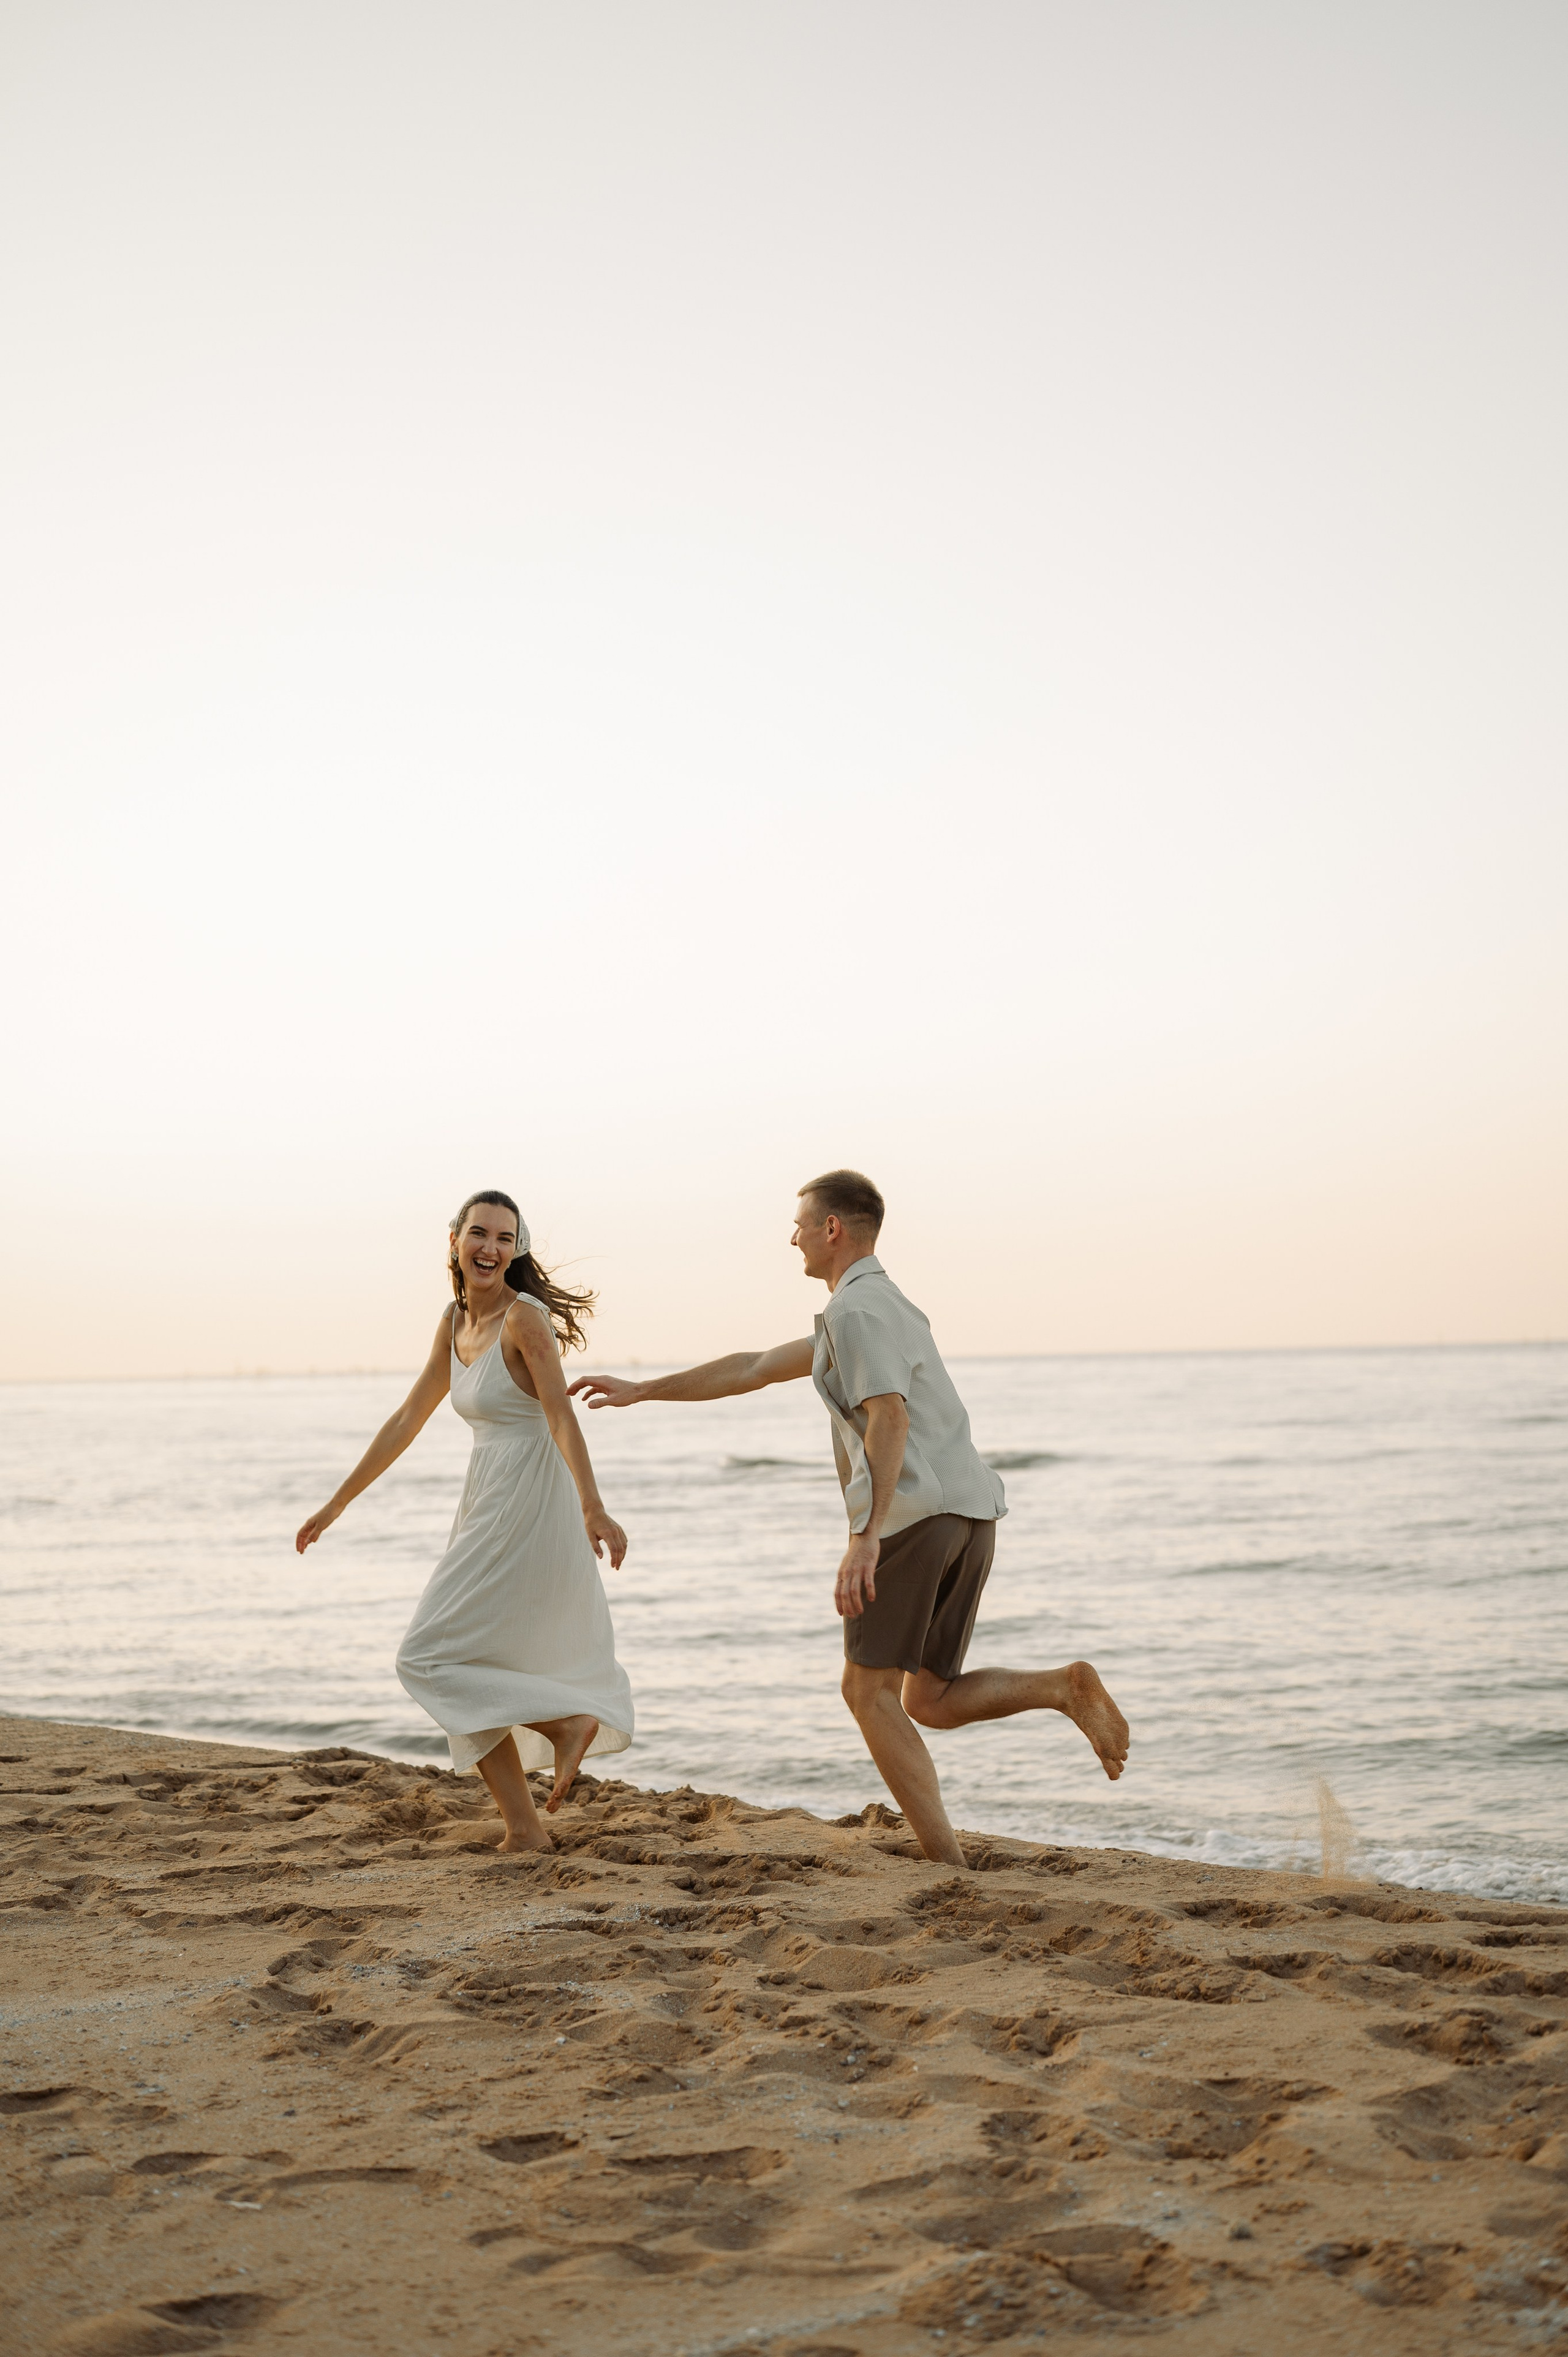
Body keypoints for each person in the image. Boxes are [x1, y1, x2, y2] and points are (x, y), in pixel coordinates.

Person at [569, 1169, 1128, 1868]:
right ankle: (1060, 1687)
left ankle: (948, 1864)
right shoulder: (883, 1305)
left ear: (831, 1228)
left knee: (866, 1692)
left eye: (800, 1224)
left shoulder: (856, 1314)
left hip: (914, 1517)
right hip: (969, 1514)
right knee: (930, 1698)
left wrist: (866, 1536)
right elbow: (753, 1366)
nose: (792, 1238)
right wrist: (644, 1389)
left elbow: (889, 1416)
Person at [296, 1189, 634, 1855]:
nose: (490, 1248)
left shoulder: (525, 1320)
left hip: (527, 1498)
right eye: (479, 1233)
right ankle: (525, 1829)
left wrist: (593, 1504)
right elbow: (407, 1418)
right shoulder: (453, 1321)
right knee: (461, 1661)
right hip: (486, 1493)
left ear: (516, 1249)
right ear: (454, 1240)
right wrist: (337, 1503)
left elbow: (560, 1416)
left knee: (426, 1655)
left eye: (505, 1238)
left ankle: (564, 1724)